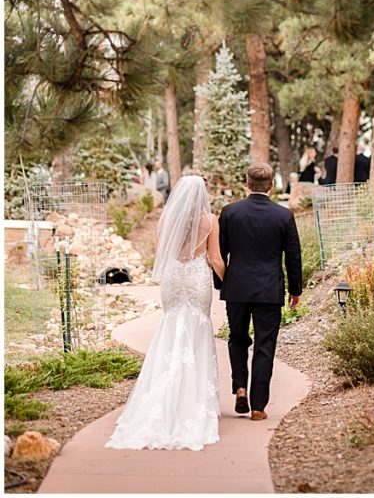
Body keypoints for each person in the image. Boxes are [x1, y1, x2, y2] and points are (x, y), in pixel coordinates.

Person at [106, 175, 225, 450]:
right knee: (198, 327)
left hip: (173, 278)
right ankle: (192, 400)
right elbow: (215, 258)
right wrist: (227, 281)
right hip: (196, 278)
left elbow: (160, 251)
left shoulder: (165, 219)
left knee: (171, 325)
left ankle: (161, 395)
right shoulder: (210, 220)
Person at [217, 163, 303, 421]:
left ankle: (240, 387)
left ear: (247, 183)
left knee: (237, 338)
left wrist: (221, 283)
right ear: (271, 186)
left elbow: (220, 253)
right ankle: (258, 407)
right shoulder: (283, 216)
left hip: (237, 288)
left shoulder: (230, 213)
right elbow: (293, 256)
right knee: (265, 345)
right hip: (268, 289)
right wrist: (295, 289)